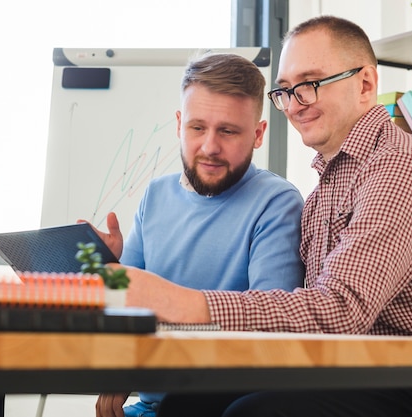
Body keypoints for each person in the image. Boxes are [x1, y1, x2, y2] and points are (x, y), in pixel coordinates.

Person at [98, 16, 412, 417]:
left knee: (257, 412)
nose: (295, 104)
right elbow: (308, 312)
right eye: (286, 90)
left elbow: (340, 310)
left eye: (311, 84)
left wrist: (185, 303)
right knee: (186, 405)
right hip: (372, 371)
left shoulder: (400, 167)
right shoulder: (326, 187)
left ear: (366, 84)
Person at [93, 52, 305, 417]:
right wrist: (107, 268)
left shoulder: (278, 202)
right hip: (147, 406)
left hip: (217, 406)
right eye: (197, 128)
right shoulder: (155, 195)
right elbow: (127, 310)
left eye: (227, 131)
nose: (209, 147)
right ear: (179, 124)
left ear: (257, 135)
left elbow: (271, 328)